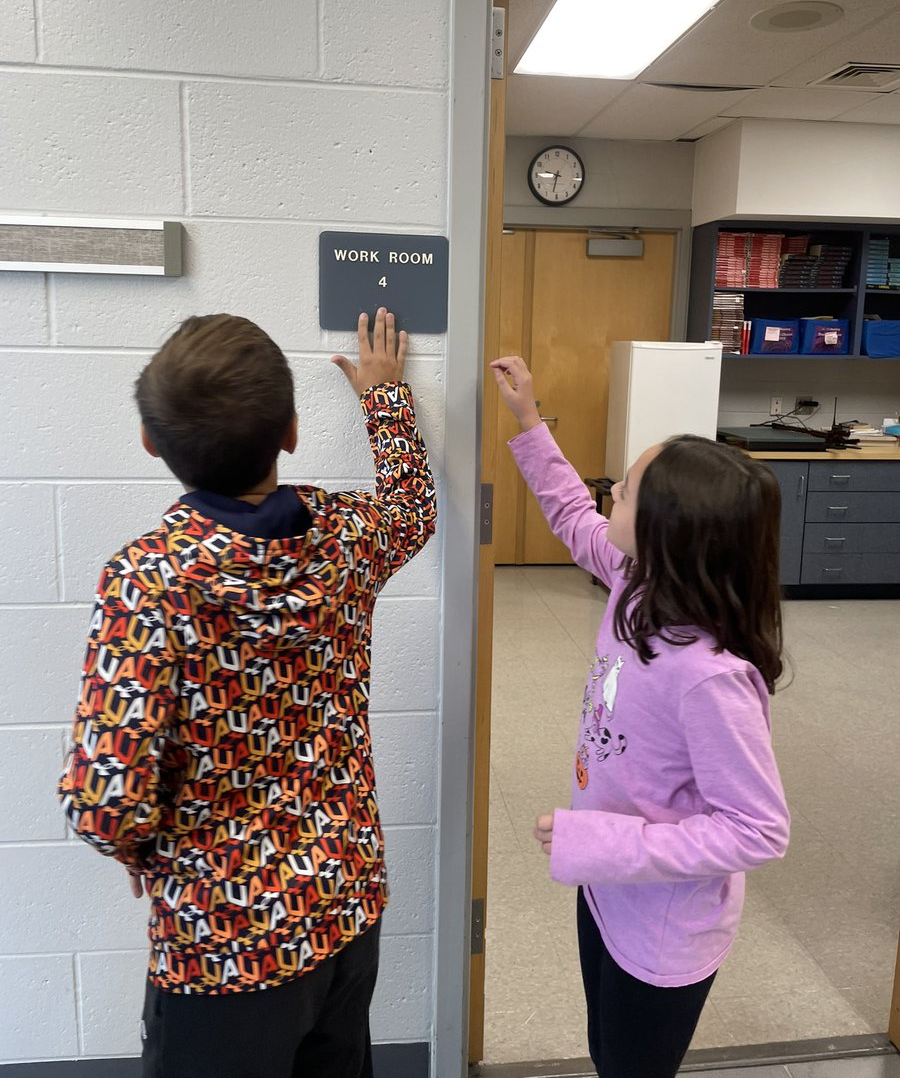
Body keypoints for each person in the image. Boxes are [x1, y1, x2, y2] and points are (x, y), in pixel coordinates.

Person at [58, 308, 436, 1078]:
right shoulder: (345, 537)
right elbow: (413, 511)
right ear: (292, 430)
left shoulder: (149, 579)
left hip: (221, 942)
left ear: (150, 443)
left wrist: (138, 840)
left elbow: (105, 803)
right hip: (343, 899)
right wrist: (385, 397)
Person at [490, 354, 790, 1078]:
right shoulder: (634, 580)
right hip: (605, 889)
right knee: (606, 1053)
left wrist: (603, 840)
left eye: (622, 492)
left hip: (662, 931)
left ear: (665, 533)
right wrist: (530, 420)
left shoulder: (710, 680)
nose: (608, 494)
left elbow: (759, 829)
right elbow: (569, 511)